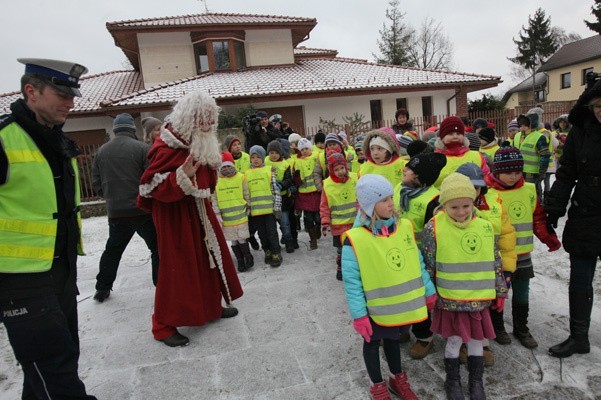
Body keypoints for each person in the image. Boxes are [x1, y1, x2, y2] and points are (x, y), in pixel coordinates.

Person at [0, 58, 96, 398]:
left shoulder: (56, 138)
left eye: (72, 96)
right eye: (62, 95)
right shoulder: (3, 138)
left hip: (60, 270)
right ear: (32, 91)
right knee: (53, 364)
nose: (70, 103)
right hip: (18, 278)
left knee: (52, 362)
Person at [137, 90, 243, 347]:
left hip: (199, 211)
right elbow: (148, 187)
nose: (208, 123)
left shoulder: (200, 139)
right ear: (190, 117)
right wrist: (179, 177)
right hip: (174, 216)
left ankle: (210, 308)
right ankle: (162, 325)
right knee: (177, 269)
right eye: (203, 117)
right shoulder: (168, 144)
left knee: (208, 261)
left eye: (211, 117)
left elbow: (206, 175)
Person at [342, 174, 436, 400]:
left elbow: (417, 262)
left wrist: (428, 290)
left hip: (398, 307)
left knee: (393, 340)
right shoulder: (355, 240)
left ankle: (397, 377)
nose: (391, 203)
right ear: (368, 205)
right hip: (373, 309)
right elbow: (352, 283)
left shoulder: (403, 228)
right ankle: (378, 385)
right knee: (373, 344)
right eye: (383, 200)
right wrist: (359, 315)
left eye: (391, 197)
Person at [421, 173, 507, 400]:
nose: (461, 212)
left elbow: (494, 259)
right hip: (449, 300)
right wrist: (428, 294)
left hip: (478, 299)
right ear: (444, 205)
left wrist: (500, 290)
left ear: (474, 202)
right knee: (454, 340)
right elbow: (428, 264)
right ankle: (453, 381)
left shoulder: (485, 227)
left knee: (477, 341)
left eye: (466, 206)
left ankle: (476, 382)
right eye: (454, 207)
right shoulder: (434, 228)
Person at [545, 79, 601, 358]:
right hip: (586, 212)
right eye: (598, 106)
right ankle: (579, 337)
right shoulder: (581, 131)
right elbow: (566, 172)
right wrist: (553, 208)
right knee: (580, 278)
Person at [485, 146, 560, 349]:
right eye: (508, 172)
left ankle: (521, 327)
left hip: (522, 252)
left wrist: (548, 238)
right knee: (498, 291)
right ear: (497, 170)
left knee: (522, 290)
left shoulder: (528, 189)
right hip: (498, 254)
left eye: (517, 172)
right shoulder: (488, 193)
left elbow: (537, 218)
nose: (513, 176)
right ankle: (497, 326)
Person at [92, 113, 159, 302]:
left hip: (116, 212)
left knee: (112, 251)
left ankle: (102, 288)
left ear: (114, 130)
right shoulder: (142, 149)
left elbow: (96, 184)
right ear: (132, 129)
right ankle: (160, 285)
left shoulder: (101, 151)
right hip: (142, 210)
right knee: (157, 248)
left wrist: (111, 197)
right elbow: (151, 179)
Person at [456, 162, 517, 367]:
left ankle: (482, 343)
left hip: (489, 268)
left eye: (476, 187)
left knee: (485, 309)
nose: (473, 192)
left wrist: (507, 269)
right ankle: (464, 341)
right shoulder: (449, 208)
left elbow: (507, 237)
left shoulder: (494, 204)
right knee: (463, 310)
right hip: (462, 272)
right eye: (468, 187)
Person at [392, 152, 446, 359]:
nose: (404, 169)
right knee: (401, 295)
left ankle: (424, 335)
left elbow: (436, 232)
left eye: (409, 169)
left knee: (419, 298)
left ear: (418, 177)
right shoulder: (399, 188)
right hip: (398, 253)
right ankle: (403, 329)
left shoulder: (433, 200)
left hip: (420, 258)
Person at [213, 152, 254, 272]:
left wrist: (249, 206)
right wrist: (217, 213)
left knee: (242, 238)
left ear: (233, 165)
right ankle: (240, 260)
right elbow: (214, 198)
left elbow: (246, 193)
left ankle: (248, 257)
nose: (226, 168)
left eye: (228, 166)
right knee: (233, 240)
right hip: (226, 218)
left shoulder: (241, 177)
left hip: (241, 215)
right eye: (223, 166)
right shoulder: (216, 181)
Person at [320, 153, 357, 280]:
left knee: (355, 247)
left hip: (355, 223)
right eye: (336, 169)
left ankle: (355, 269)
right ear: (331, 170)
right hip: (338, 225)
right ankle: (340, 268)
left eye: (342, 168)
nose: (340, 171)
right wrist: (325, 221)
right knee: (341, 250)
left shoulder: (354, 178)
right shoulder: (327, 185)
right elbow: (324, 205)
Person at [246, 145, 283, 267]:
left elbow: (275, 190)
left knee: (272, 232)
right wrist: (248, 209)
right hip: (256, 212)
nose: (255, 159)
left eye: (258, 157)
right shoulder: (246, 174)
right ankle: (267, 250)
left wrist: (277, 207)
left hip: (269, 210)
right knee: (262, 233)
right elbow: (246, 193)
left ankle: (276, 252)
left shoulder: (269, 170)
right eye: (253, 157)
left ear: (262, 158)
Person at [432, 116, 491, 188]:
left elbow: (486, 179)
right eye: (450, 134)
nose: (455, 136)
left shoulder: (476, 156)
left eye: (458, 133)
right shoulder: (434, 159)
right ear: (442, 137)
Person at [265, 140, 295, 253]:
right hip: (268, 198)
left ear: (280, 153)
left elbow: (289, 180)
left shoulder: (285, 164)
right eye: (271, 153)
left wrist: (281, 185)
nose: (273, 155)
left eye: (276, 153)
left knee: (285, 223)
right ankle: (274, 244)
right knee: (272, 226)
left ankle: (288, 241)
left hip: (283, 199)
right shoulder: (265, 162)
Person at [512, 112, 550, 199]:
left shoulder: (539, 137)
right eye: (521, 125)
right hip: (518, 171)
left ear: (531, 124)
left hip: (532, 172)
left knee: (533, 192)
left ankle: (538, 208)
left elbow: (545, 155)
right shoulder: (517, 136)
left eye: (525, 125)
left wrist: (542, 170)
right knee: (520, 192)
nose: (522, 127)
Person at [293, 138, 322, 249]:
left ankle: (318, 228)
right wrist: (296, 178)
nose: (304, 151)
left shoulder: (316, 157)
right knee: (308, 219)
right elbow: (296, 177)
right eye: (302, 149)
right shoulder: (297, 162)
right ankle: (313, 239)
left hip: (316, 193)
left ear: (310, 148)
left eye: (306, 148)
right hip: (304, 195)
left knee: (318, 217)